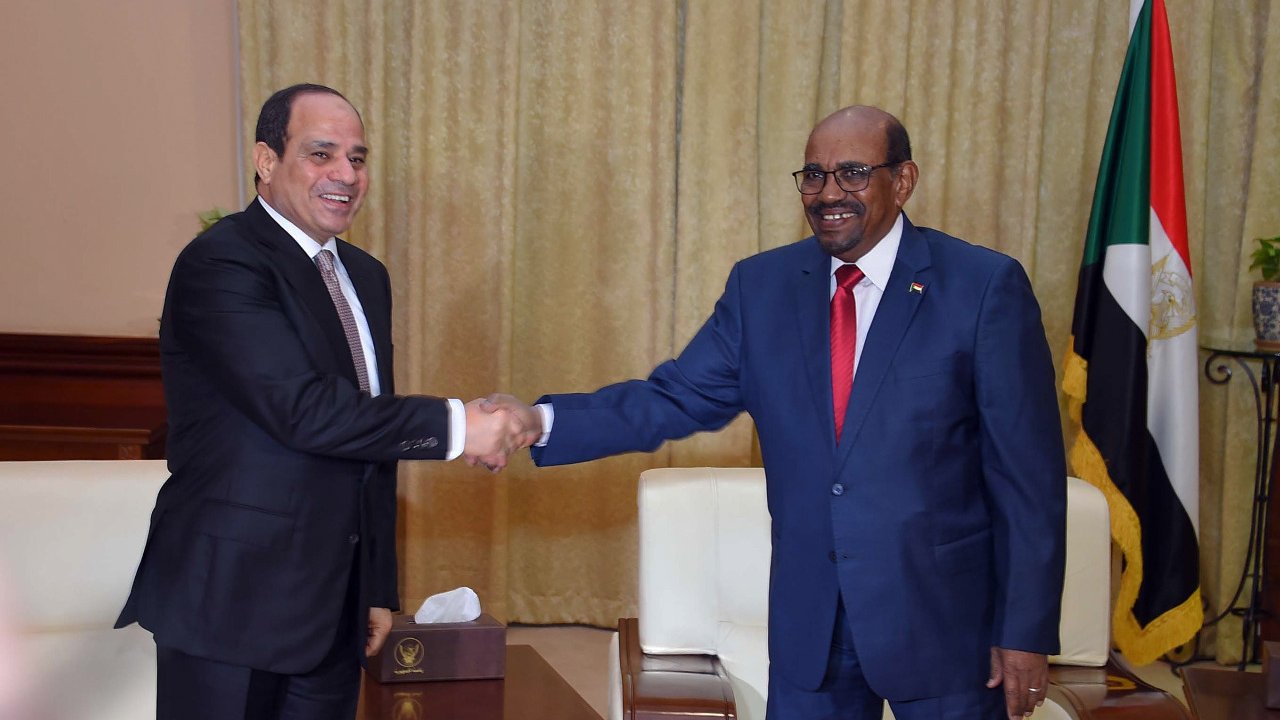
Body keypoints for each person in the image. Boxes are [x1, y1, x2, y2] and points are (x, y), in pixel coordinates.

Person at [489, 105, 1066, 720]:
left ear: (903, 181)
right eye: (813, 175)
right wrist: (539, 422)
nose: (828, 194)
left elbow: (1026, 477)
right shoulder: (761, 288)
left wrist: (1025, 629)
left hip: (945, 627)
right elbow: (672, 397)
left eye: (852, 173)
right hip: (811, 629)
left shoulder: (982, 287)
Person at [115, 83, 530, 720]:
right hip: (231, 607)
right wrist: (460, 426)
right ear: (266, 160)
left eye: (357, 158)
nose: (345, 175)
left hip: (334, 611)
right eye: (321, 154)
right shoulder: (221, 262)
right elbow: (305, 411)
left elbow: (369, 440)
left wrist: (377, 587)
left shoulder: (365, 275)